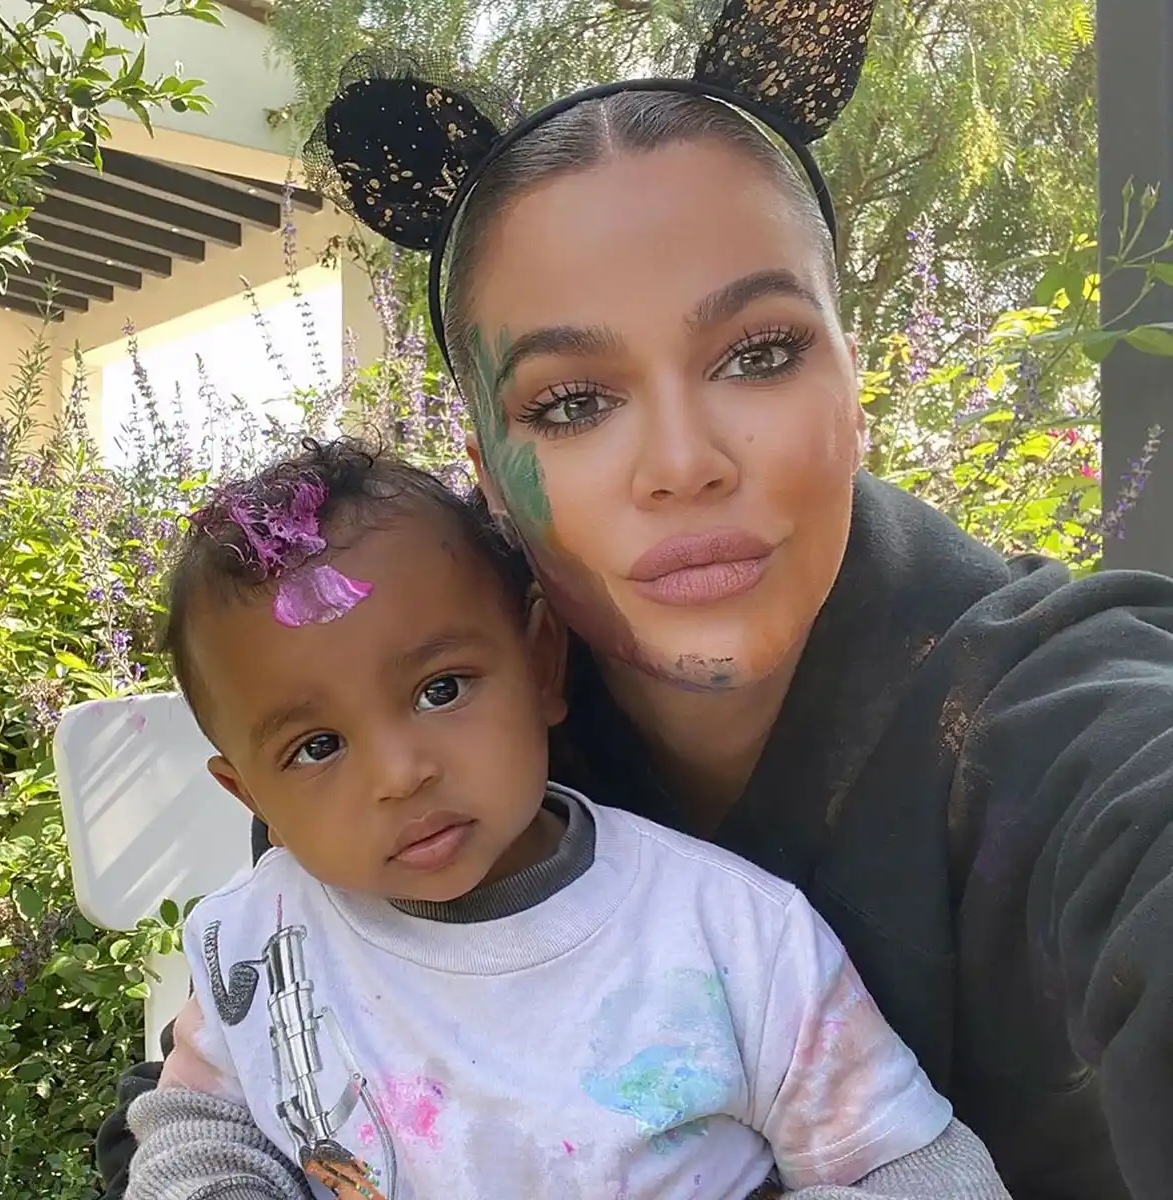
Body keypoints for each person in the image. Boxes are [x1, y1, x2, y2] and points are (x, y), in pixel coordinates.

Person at [94, 2, 1173, 1198]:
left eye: (759, 354)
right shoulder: (384, 711)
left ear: (852, 377)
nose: (682, 461)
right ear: (485, 466)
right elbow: (233, 1092)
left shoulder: (1073, 725)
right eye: (571, 403)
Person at [120, 438, 1006, 1200]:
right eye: (316, 747)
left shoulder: (729, 936)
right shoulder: (260, 943)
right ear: (251, 798)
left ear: (543, 664)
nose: (399, 773)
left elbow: (910, 1168)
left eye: (441, 690)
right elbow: (200, 1129)